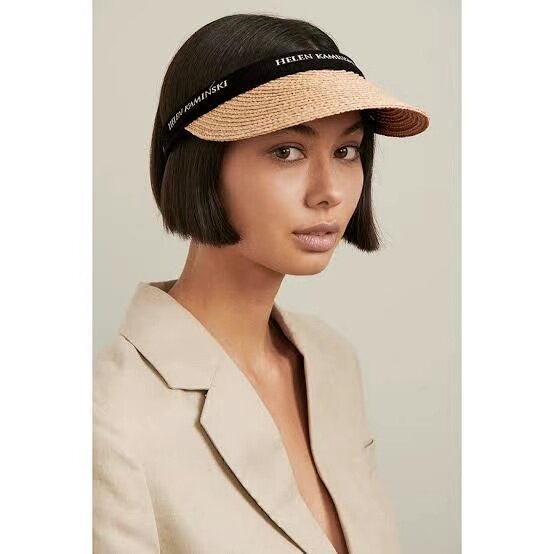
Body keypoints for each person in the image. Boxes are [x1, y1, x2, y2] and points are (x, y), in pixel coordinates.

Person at [93, 13, 430, 554]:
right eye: (287, 151)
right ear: (200, 165)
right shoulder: (109, 417)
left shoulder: (330, 360)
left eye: (346, 150)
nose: (329, 191)